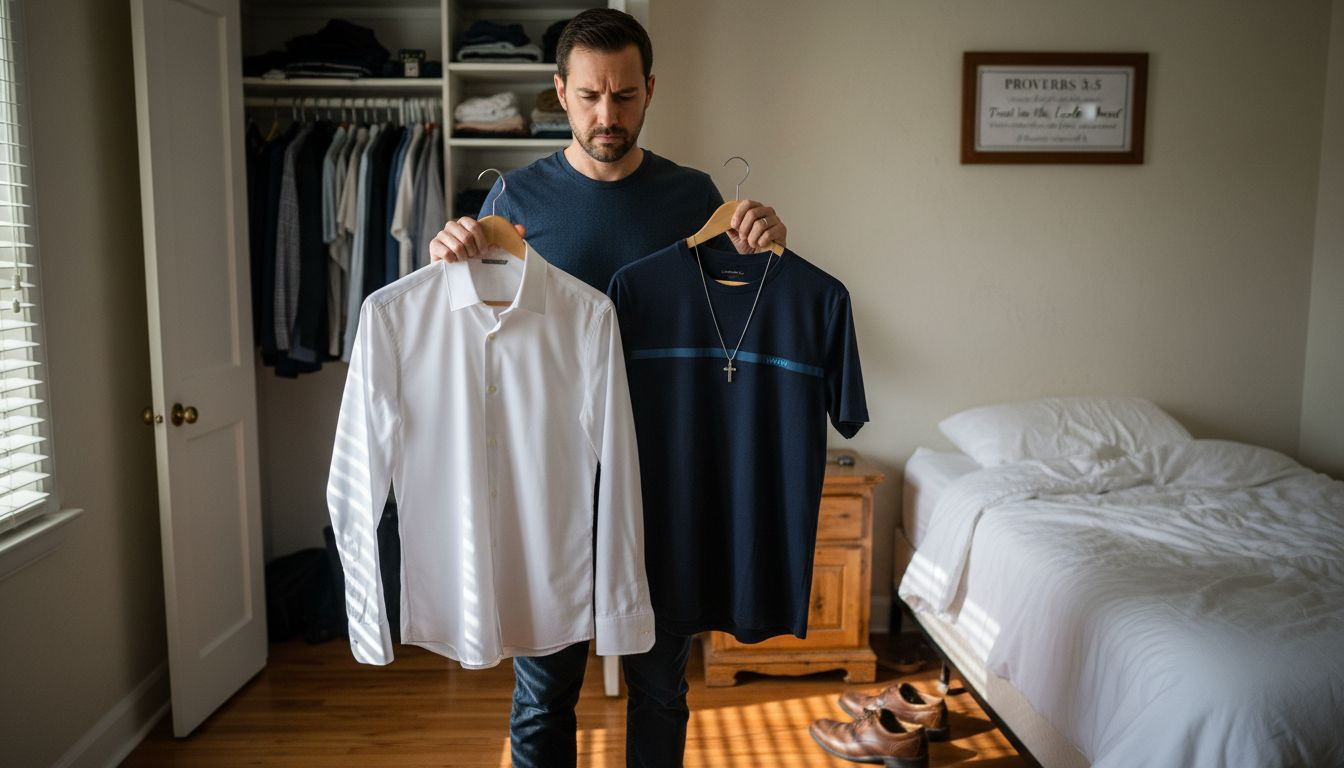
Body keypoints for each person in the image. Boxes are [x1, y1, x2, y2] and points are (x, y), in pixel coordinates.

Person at [427, 9, 788, 768]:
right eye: (590, 95)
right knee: (542, 693)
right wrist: (447, 254)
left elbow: (742, 315)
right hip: (550, 478)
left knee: (661, 685)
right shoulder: (515, 203)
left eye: (624, 96)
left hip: (665, 472)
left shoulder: (694, 197)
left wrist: (770, 247)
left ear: (650, 90)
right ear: (560, 92)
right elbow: (470, 332)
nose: (607, 115)